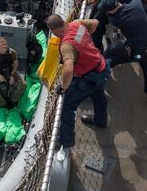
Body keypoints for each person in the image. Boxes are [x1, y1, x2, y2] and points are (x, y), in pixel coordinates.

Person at [46, 14, 111, 148]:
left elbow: (68, 69)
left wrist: (64, 87)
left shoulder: (66, 46)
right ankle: (100, 120)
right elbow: (95, 22)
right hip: (101, 66)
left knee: (67, 105)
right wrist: (85, 45)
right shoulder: (77, 24)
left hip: (89, 77)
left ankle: (66, 141)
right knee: (99, 97)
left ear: (53, 30)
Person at [100, 0, 147, 103]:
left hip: (135, 51)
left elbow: (110, 9)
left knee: (111, 52)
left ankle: (104, 70)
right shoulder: (136, 5)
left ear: (110, 11)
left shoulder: (116, 19)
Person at [0, 37, 26, 108]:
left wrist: (12, 75)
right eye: (2, 45)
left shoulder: (12, 53)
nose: (4, 46)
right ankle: (3, 105)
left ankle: (12, 101)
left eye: (5, 44)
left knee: (23, 84)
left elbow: (16, 64)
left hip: (9, 72)